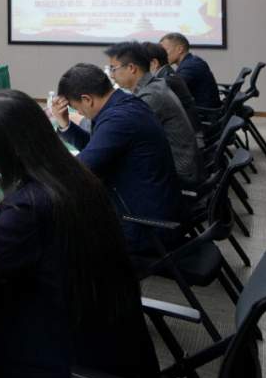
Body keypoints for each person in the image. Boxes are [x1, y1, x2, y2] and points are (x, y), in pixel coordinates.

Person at [0, 90, 160, 378]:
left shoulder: (30, 207)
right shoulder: (75, 176)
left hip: (66, 371)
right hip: (114, 348)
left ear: (11, 150)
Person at [51, 63, 186, 252]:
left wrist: (43, 167)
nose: (79, 113)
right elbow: (98, 147)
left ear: (87, 99)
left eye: (76, 108)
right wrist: (65, 124)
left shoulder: (120, 119)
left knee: (62, 232)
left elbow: (80, 169)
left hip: (147, 226)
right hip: (153, 209)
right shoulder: (126, 104)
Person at [105, 42, 203, 189]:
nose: (112, 75)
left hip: (181, 173)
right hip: (178, 164)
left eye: (114, 69)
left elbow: (121, 131)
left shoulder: (151, 96)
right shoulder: (153, 86)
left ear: (131, 68)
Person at [143, 41, 204, 140]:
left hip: (186, 140)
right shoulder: (169, 74)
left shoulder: (164, 83)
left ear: (154, 63)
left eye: (140, 65)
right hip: (186, 134)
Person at [160, 32, 222, 110]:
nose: (162, 55)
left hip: (203, 113)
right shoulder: (193, 61)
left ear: (179, 49)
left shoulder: (190, 67)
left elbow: (168, 90)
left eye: (164, 50)